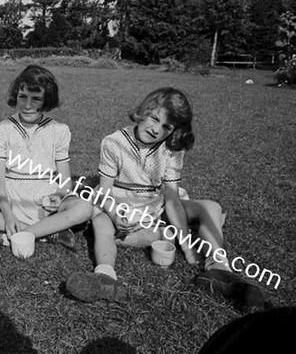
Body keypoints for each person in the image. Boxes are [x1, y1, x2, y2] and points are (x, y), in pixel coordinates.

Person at [65, 87, 265, 307]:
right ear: (144, 111)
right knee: (101, 221)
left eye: (166, 127)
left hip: (155, 209)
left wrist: (187, 247)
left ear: (174, 131)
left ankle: (218, 268)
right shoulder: (114, 142)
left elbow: (171, 199)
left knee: (210, 207)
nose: (156, 129)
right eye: (154, 118)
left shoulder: (172, 149)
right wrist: (113, 213)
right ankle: (105, 276)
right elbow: (104, 192)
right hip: (121, 209)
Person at [0, 65, 93, 251]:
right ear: (16, 96)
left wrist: (58, 195)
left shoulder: (59, 130)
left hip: (45, 195)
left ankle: (10, 234)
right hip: (10, 195)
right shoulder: (1, 129)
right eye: (23, 97)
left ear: (47, 100)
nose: (28, 105)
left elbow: (65, 182)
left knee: (85, 208)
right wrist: (7, 214)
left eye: (36, 99)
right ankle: (44, 232)